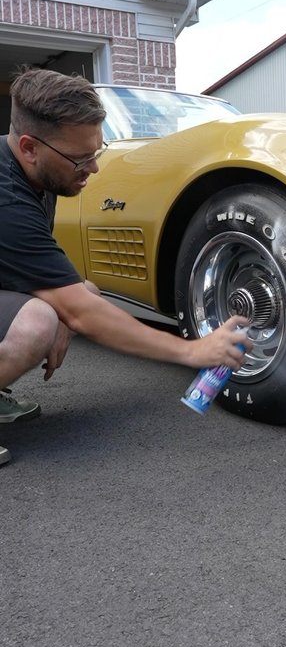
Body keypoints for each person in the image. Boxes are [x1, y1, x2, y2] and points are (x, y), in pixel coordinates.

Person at [0, 68, 251, 466]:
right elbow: (79, 312)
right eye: (81, 159)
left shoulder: (34, 174)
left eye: (97, 152)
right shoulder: (7, 199)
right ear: (30, 148)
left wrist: (71, 310)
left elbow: (62, 286)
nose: (94, 169)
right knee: (39, 323)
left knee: (83, 293)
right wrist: (192, 351)